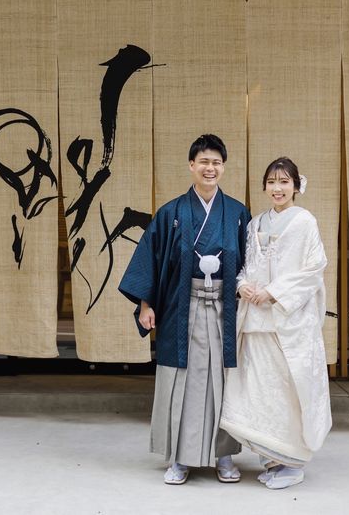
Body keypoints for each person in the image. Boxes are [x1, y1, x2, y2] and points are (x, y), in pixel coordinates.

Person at [119, 134, 250, 485]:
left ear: (223, 167)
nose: (210, 168)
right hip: (183, 306)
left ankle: (224, 454)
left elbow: (250, 265)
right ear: (191, 165)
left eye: (216, 162)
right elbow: (150, 257)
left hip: (225, 308)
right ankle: (179, 457)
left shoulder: (237, 213)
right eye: (204, 161)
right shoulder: (171, 213)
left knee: (223, 379)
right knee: (183, 381)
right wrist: (146, 304)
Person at [220, 157, 332, 490]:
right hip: (255, 321)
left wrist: (274, 292)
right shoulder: (255, 222)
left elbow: (314, 268)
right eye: (271, 182)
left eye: (284, 182)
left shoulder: (305, 221)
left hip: (288, 321)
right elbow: (246, 265)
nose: (277, 188)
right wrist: (242, 285)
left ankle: (293, 463)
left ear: (296, 186)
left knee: (287, 391)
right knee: (260, 392)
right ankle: (271, 459)